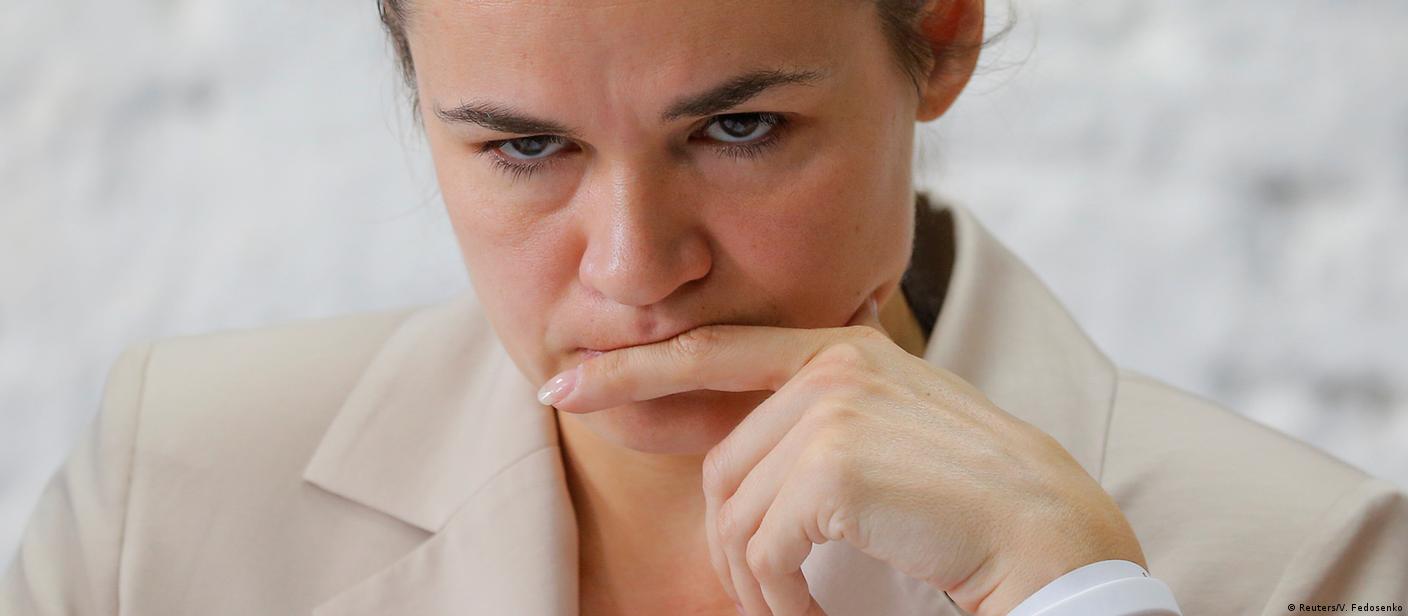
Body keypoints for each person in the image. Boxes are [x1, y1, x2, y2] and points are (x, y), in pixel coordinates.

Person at [3, 1, 1405, 615]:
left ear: (941, 37)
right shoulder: (170, 488)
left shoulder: (1306, 559)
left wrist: (1075, 602)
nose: (633, 267)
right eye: (524, 147)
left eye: (738, 129)